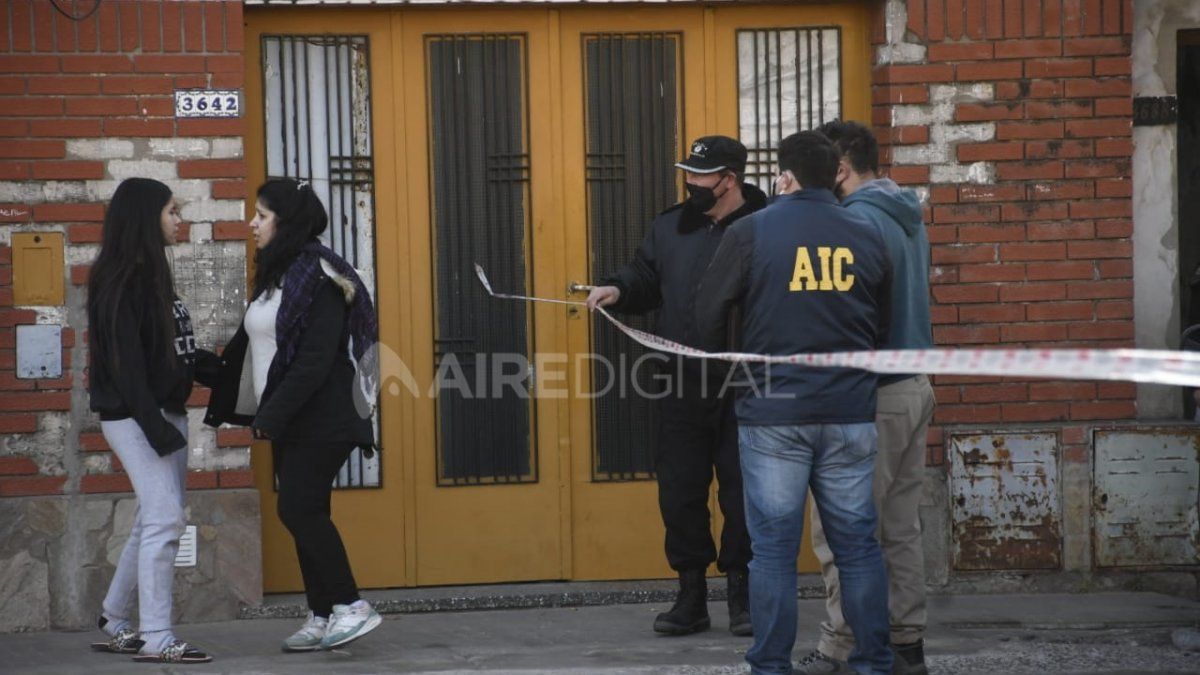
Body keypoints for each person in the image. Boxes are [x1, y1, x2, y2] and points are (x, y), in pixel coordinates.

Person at [693, 130, 893, 675]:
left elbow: (707, 318)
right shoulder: (868, 232)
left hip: (773, 413)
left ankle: (770, 665)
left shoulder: (752, 231)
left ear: (785, 175)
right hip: (850, 411)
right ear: (835, 174)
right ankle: (875, 661)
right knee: (857, 546)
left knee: (774, 552)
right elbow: (887, 324)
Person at [586, 136, 767, 636]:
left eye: (700, 175)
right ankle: (691, 597)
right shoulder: (671, 226)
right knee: (681, 492)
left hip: (747, 385)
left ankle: (742, 596)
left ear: (728, 179)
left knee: (743, 492)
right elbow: (645, 275)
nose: (690, 183)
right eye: (687, 172)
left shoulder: (766, 225)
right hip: (681, 383)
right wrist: (617, 288)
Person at [199, 178, 381, 652]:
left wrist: (271, 415)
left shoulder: (321, 278)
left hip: (326, 416)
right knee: (308, 511)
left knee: (297, 508)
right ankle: (321, 615)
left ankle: (351, 604)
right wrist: (201, 369)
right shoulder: (279, 277)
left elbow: (315, 361)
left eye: (261, 215)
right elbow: (255, 351)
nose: (252, 223)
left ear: (287, 221)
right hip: (293, 418)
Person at [795, 121, 935, 675]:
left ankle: (841, 647)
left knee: (842, 530)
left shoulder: (852, 221)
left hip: (870, 394)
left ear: (841, 169)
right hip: (915, 384)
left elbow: (848, 314)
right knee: (900, 529)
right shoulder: (905, 212)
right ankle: (906, 646)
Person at [87, 178, 212, 664]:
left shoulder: (152, 275)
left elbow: (163, 348)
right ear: (145, 217)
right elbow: (126, 366)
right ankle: (157, 636)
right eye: (171, 211)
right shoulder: (121, 279)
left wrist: (207, 367)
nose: (179, 220)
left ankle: (115, 620)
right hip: (136, 417)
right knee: (165, 519)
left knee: (150, 519)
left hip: (162, 413)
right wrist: (154, 427)